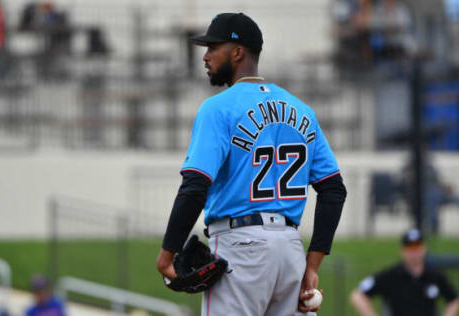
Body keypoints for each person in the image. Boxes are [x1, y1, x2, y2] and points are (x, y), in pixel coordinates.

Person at [156, 12, 347, 315]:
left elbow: (195, 186)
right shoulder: (302, 111)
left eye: (212, 47)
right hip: (290, 252)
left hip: (240, 247)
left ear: (237, 51)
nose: (205, 56)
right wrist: (312, 266)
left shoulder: (218, 109)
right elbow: (333, 190)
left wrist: (167, 256)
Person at [350, 228, 459, 316]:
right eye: (410, 248)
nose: (414, 253)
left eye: (417, 247)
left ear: (424, 248)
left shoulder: (435, 276)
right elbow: (357, 296)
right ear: (402, 250)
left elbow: (453, 300)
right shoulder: (391, 276)